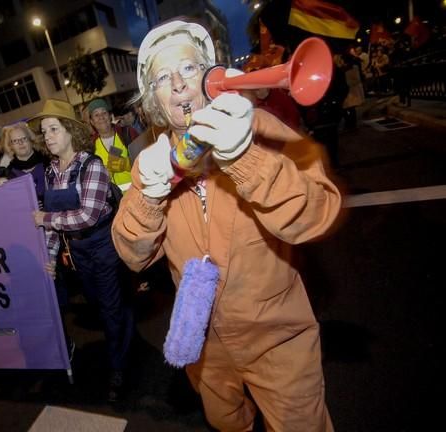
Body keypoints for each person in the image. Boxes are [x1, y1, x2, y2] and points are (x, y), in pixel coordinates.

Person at [111, 20, 341, 431]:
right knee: (226, 424)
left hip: (277, 337)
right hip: (205, 348)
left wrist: (247, 158)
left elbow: (318, 213)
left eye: (189, 68)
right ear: (154, 101)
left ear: (211, 78)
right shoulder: (151, 158)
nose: (179, 84)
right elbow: (131, 254)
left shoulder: (260, 129)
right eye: (162, 77)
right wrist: (148, 195)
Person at [29, 99, 133, 403]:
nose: (47, 136)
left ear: (71, 131)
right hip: (77, 250)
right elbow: (52, 228)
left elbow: (87, 215)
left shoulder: (92, 165)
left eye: (53, 129)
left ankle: (120, 369)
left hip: (103, 244)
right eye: (44, 131)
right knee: (101, 305)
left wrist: (45, 218)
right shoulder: (49, 172)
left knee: (112, 308)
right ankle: (125, 339)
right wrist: (50, 258)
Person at [87, 98, 138, 193]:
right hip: (113, 204)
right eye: (96, 115)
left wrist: (126, 164)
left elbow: (145, 160)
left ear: (110, 116)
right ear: (92, 121)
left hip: (136, 195)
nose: (101, 117)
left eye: (104, 113)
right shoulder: (90, 146)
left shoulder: (127, 133)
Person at [0, 123, 50, 205]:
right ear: (10, 146)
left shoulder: (49, 160)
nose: (20, 143)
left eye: (24, 138)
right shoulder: (9, 173)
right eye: (15, 141)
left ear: (31, 140)